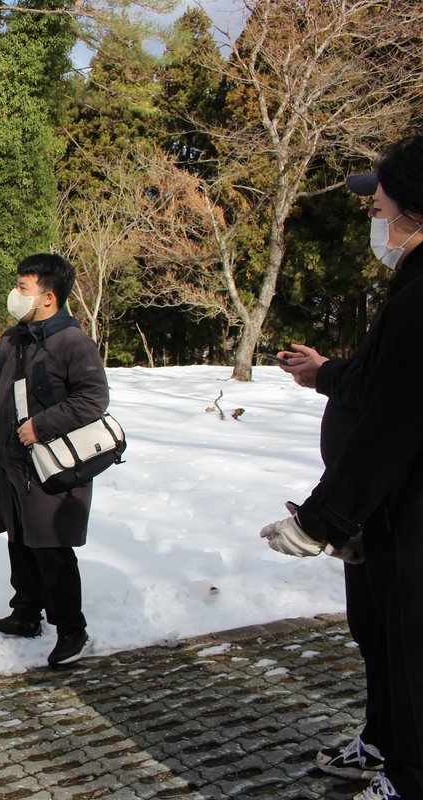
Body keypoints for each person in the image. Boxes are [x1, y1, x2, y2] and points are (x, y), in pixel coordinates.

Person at [263, 136, 423, 800]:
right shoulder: (409, 286)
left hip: (406, 515)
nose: (372, 218)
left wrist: (323, 520)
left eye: (380, 205)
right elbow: (386, 382)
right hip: (382, 519)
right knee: (382, 638)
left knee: (413, 654)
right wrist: (328, 373)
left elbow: (395, 426)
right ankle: (386, 744)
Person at [0, 253, 109, 668]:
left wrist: (41, 425)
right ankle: (26, 614)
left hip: (52, 464)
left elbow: (93, 399)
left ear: (48, 296)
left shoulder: (72, 342)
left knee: (51, 548)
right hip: (10, 462)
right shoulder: (13, 339)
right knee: (19, 540)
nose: (15, 294)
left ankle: (72, 629)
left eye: (23, 287)